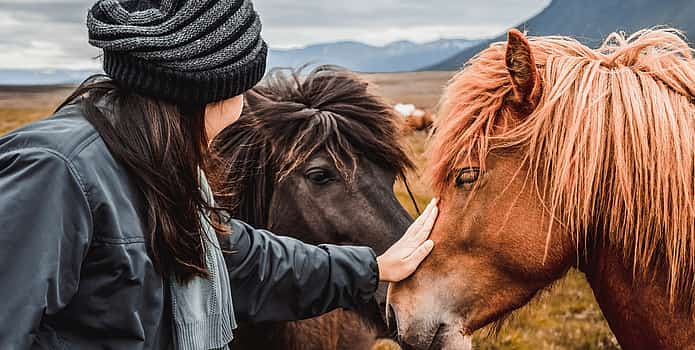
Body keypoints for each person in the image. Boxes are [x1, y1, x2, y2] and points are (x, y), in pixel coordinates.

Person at [0, 0, 437, 349]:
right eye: (241, 90)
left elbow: (242, 262)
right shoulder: (57, 171)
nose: (246, 105)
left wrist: (371, 268)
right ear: (203, 97)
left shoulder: (155, 165)